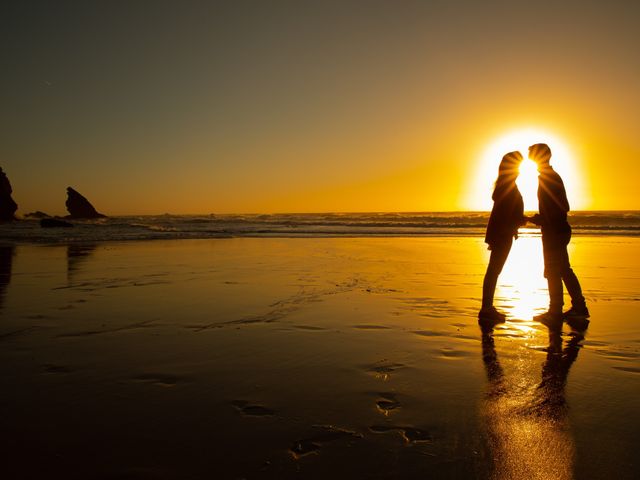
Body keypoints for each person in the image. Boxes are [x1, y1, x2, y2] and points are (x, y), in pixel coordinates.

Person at [528, 143, 589, 326]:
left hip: (554, 231)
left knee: (554, 271)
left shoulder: (549, 177)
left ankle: (555, 311)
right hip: (557, 229)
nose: (529, 156)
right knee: (562, 269)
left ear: (540, 156)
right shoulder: (549, 176)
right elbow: (559, 206)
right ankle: (578, 306)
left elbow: (561, 207)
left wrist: (541, 219)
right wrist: (541, 218)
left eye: (531, 153)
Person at [479, 151, 526, 323]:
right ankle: (486, 308)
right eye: (518, 166)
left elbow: (507, 214)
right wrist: (525, 219)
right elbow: (508, 215)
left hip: (501, 233)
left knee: (493, 270)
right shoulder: (508, 187)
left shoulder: (505, 185)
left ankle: (487, 307)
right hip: (503, 234)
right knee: (494, 270)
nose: (520, 170)